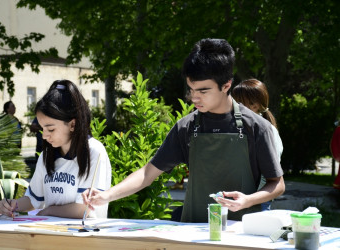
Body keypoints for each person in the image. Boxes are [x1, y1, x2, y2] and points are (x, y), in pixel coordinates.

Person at [83, 38, 285, 222]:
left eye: (203, 91)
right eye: (191, 89)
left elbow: (277, 184)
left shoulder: (258, 128)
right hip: (192, 232)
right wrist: (106, 195)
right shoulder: (186, 127)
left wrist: (248, 200)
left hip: (242, 234)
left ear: (226, 85)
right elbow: (148, 173)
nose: (194, 98)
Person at [0, 80, 112, 219]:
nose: (45, 136)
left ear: (72, 124)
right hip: (51, 235)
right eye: (42, 128)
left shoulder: (94, 151)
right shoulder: (47, 155)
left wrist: (48, 211)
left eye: (51, 129)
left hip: (84, 237)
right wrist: (12, 205)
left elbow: (85, 208)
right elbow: (34, 199)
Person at [232, 79, 283, 210]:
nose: (237, 106)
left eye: (242, 102)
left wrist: (252, 197)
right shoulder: (239, 127)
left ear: (256, 105)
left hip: (258, 200)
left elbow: (272, 174)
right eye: (235, 102)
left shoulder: (266, 130)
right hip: (239, 198)